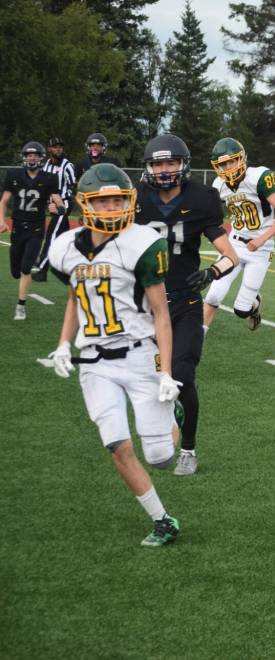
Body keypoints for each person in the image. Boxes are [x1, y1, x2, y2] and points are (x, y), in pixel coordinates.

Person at [46, 163, 181, 546]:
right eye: (103, 202)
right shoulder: (65, 247)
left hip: (141, 356)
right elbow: (77, 297)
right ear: (86, 205)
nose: (111, 208)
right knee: (119, 447)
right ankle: (162, 520)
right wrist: (62, 343)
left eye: (118, 199)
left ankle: (175, 416)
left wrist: (166, 371)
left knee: (159, 456)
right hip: (95, 362)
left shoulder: (142, 243)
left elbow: (161, 313)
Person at [135, 134, 239, 477]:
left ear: (183, 164)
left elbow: (230, 256)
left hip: (185, 302)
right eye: (158, 163)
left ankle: (189, 449)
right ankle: (170, 419)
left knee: (181, 375)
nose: (164, 170)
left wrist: (210, 271)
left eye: (171, 163)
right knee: (151, 381)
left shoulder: (202, 198)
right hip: (145, 305)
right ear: (148, 167)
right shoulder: (137, 200)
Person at [204, 137, 275, 333]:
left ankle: (254, 306)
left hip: (261, 248)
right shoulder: (218, 185)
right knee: (213, 296)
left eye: (232, 161)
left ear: (241, 159)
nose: (228, 167)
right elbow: (213, 218)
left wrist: (261, 239)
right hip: (234, 244)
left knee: (241, 310)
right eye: (223, 164)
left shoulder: (258, 177)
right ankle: (195, 343)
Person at [0, 142, 65, 320]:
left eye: (35, 155)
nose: (32, 158)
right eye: (29, 155)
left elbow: (59, 203)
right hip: (17, 228)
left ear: (41, 158)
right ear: (24, 157)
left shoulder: (50, 178)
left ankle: (21, 305)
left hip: (36, 228)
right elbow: (4, 201)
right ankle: (26, 268)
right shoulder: (14, 175)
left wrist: (57, 209)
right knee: (15, 272)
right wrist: (1, 221)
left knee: (26, 268)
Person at [33, 136, 77, 281]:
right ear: (49, 149)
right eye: (55, 146)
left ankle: (42, 269)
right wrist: (48, 203)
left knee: (51, 234)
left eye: (60, 146)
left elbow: (73, 187)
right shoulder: (45, 165)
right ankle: (71, 266)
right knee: (64, 238)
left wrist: (64, 206)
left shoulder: (67, 166)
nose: (58, 149)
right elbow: (44, 186)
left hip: (63, 205)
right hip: (52, 205)